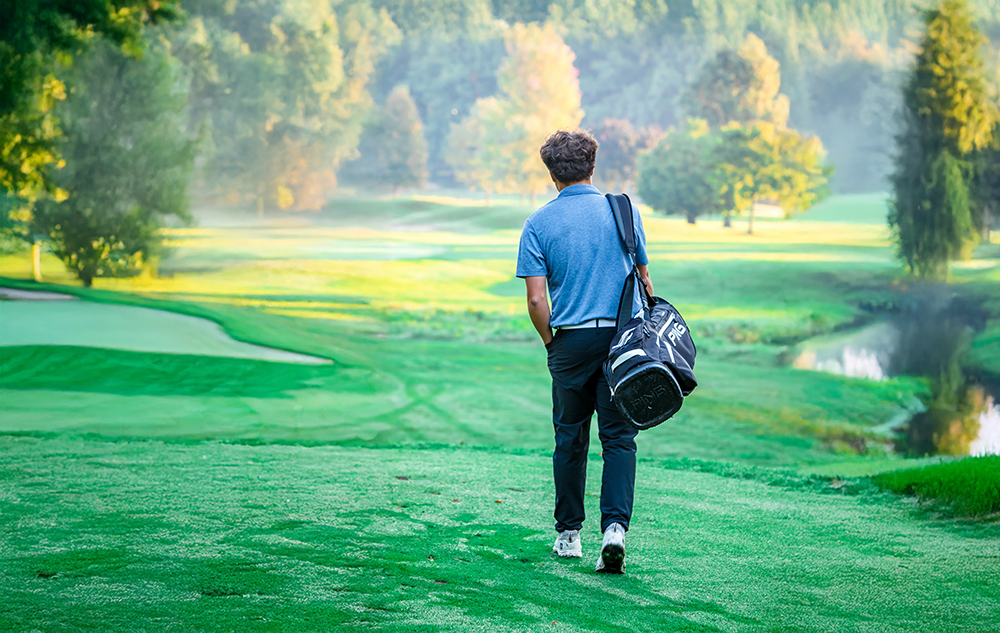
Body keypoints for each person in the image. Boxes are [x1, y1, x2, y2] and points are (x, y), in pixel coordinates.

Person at [516, 129, 653, 574]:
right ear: (592, 167)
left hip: (571, 341)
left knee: (569, 437)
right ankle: (614, 530)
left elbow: (538, 301)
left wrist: (551, 344)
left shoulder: (538, 223)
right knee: (618, 438)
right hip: (622, 343)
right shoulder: (624, 211)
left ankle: (569, 535)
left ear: (552, 174)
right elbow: (645, 281)